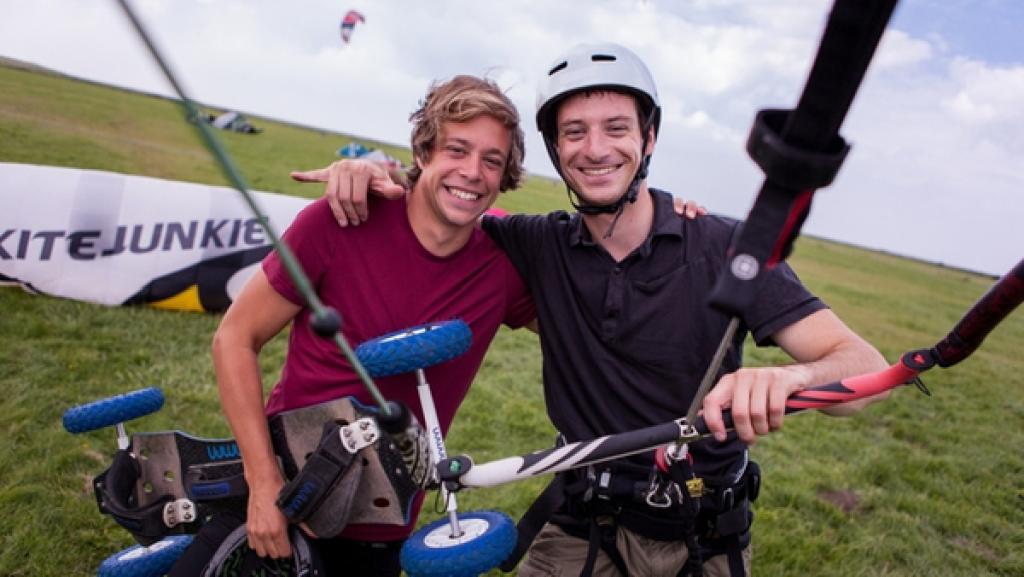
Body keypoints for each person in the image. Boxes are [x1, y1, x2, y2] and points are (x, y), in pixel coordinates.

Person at [314, 43, 890, 577]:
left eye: (616, 129)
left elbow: (867, 371)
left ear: (650, 138)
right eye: (574, 133)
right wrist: (373, 170)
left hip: (705, 534)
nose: (595, 149)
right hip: (579, 524)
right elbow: (443, 205)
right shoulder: (536, 244)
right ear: (555, 149)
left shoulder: (725, 246)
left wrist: (792, 375)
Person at [168, 75, 537, 577]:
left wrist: (671, 215)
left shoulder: (502, 270)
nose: (472, 172)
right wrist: (262, 484)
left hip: (382, 533)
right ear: (424, 151)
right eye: (457, 149)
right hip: (286, 495)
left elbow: (590, 328)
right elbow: (235, 337)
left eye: (491, 160)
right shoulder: (337, 220)